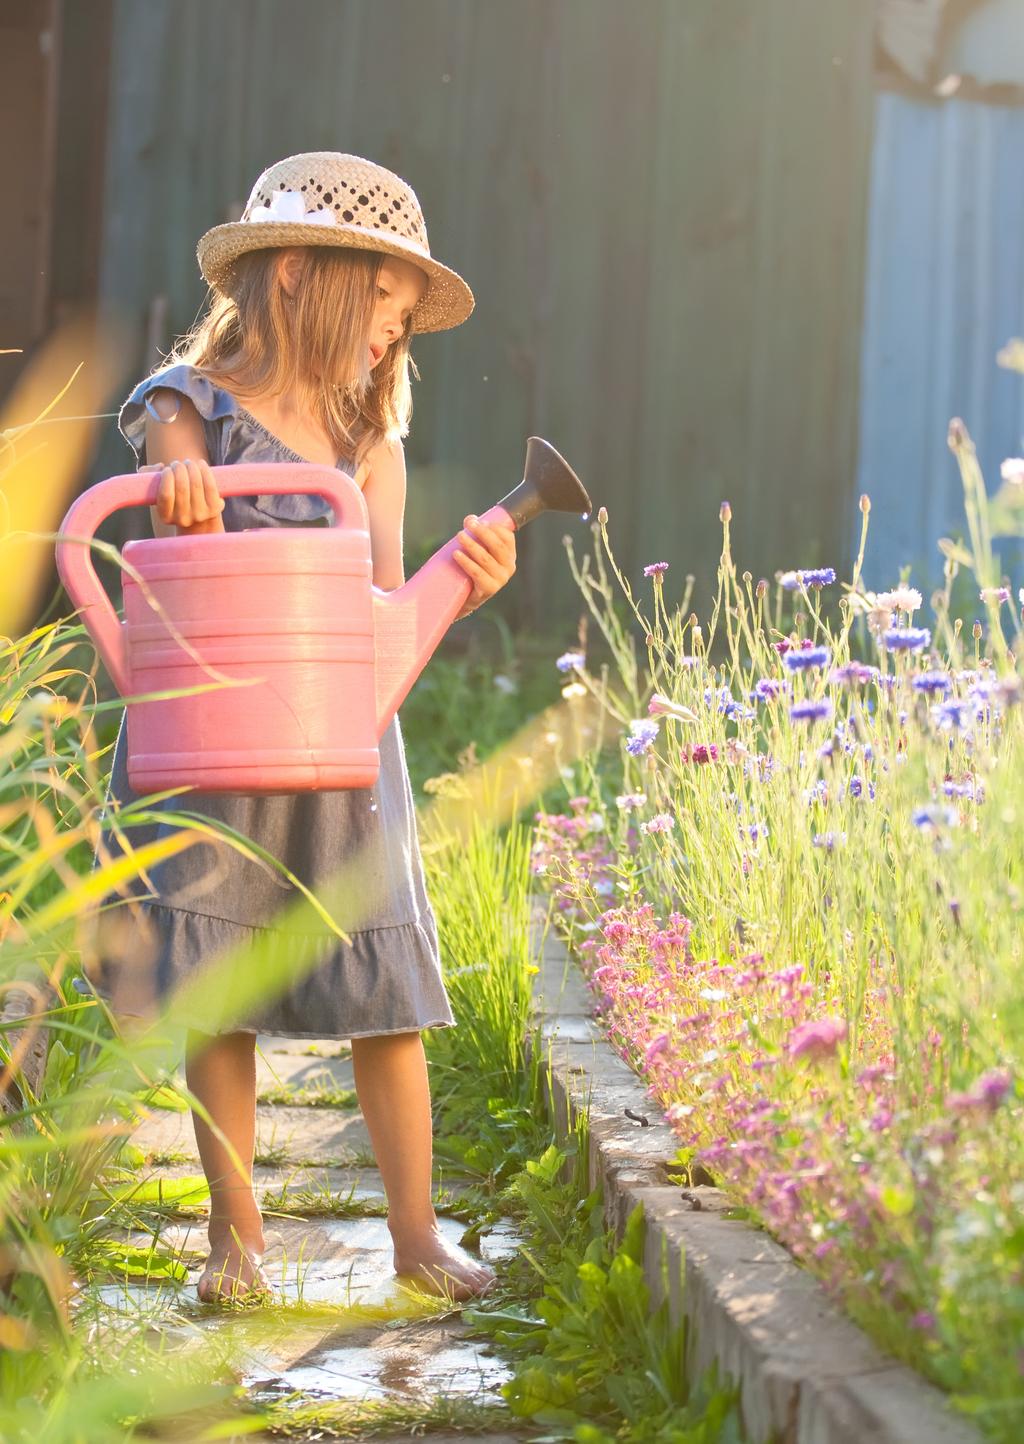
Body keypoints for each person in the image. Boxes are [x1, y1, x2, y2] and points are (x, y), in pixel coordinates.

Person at [94, 152, 516, 1305]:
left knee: (386, 992)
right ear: (294, 277)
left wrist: (456, 586)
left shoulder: (366, 456)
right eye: (377, 308)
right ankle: (238, 1242)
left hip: (338, 750)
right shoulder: (189, 410)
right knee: (218, 986)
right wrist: (182, 490)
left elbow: (379, 620)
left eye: (400, 323)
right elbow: (164, 502)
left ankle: (418, 1235)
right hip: (216, 744)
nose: (389, 337)